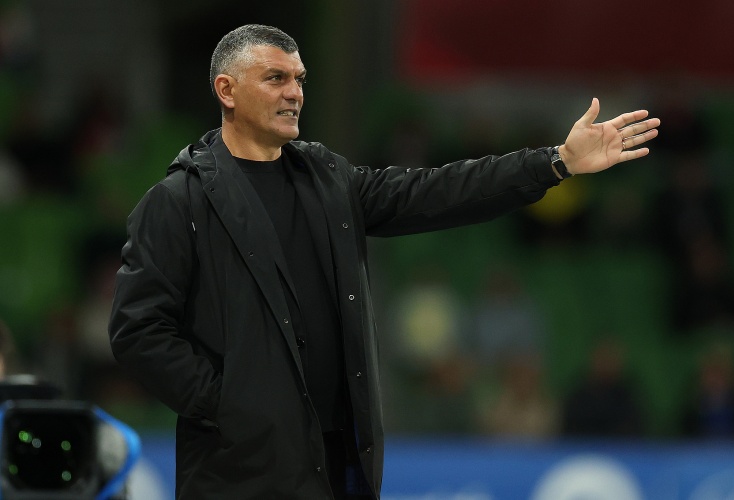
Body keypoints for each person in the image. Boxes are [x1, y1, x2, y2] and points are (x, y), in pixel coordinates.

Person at [108, 24, 660, 500]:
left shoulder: (329, 181)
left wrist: (554, 162)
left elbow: (440, 190)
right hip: (236, 472)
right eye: (275, 78)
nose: (295, 92)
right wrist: (228, 406)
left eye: (300, 79)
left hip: (336, 465)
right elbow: (137, 331)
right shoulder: (179, 202)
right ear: (226, 90)